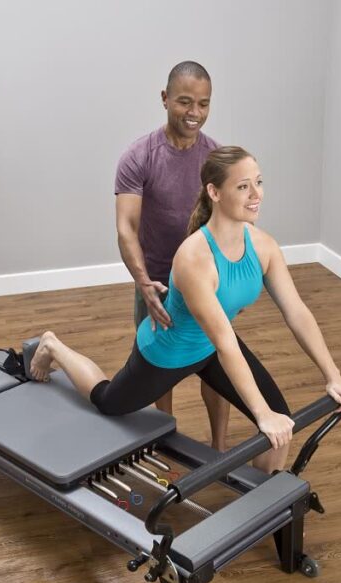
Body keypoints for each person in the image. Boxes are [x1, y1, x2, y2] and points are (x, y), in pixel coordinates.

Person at [31, 147, 341, 474]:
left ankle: (262, 497)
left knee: (281, 428)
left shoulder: (263, 246)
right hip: (169, 351)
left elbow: (296, 311)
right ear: (214, 192)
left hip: (212, 346)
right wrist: (261, 413)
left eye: (259, 182)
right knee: (108, 401)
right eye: (243, 186)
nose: (256, 194)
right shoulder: (194, 259)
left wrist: (333, 375)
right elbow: (226, 342)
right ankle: (53, 346)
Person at [115, 60, 232, 451]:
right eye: (185, 101)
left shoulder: (216, 160)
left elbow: (231, 225)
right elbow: (126, 227)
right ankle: (165, 441)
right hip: (157, 283)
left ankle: (219, 450)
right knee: (157, 371)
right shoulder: (139, 156)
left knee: (218, 366)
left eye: (203, 103)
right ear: (165, 99)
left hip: (206, 282)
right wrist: (143, 284)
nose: (194, 112)